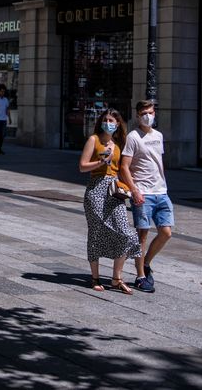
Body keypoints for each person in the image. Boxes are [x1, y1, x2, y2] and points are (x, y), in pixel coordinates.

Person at [80, 109, 140, 294]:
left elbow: (123, 168)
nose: (108, 123)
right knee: (96, 232)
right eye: (105, 119)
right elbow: (82, 166)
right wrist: (100, 162)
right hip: (96, 189)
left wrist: (133, 187)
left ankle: (116, 278)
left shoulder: (120, 143)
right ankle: (95, 277)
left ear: (118, 123)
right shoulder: (94, 140)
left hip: (114, 191)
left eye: (112, 120)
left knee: (125, 233)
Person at [119, 100, 172, 294]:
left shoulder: (158, 136)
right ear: (137, 116)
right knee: (142, 235)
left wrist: (163, 183)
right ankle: (140, 276)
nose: (147, 116)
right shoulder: (133, 137)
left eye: (150, 112)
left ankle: (146, 263)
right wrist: (134, 190)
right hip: (142, 192)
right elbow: (124, 166)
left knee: (166, 232)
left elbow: (158, 162)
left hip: (161, 192)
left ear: (155, 113)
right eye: (143, 113)